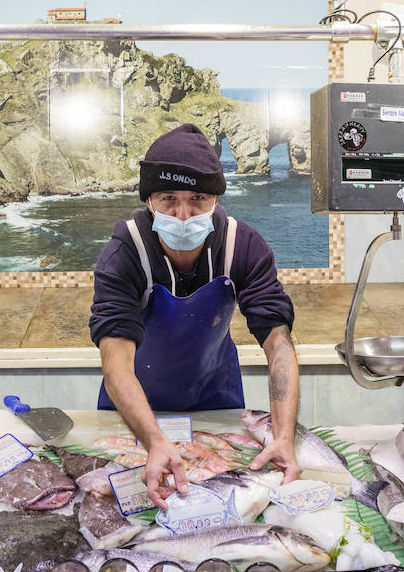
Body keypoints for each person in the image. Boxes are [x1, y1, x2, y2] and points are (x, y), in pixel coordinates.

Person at [90, 124, 300, 509]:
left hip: (214, 400)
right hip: (134, 410)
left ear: (216, 200)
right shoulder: (126, 252)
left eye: (197, 198)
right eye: (168, 198)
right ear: (149, 199)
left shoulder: (243, 245)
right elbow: (115, 359)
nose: (183, 214)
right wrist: (154, 439)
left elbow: (278, 342)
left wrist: (283, 434)